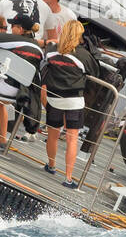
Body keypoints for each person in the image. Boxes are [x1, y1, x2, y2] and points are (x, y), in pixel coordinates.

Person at [40, 20, 96, 189]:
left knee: (53, 135)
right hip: (74, 101)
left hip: (54, 99)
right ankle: (69, 178)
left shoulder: (51, 51)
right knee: (72, 140)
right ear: (79, 36)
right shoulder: (84, 55)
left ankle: (51, 165)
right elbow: (94, 72)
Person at [0, 13, 44, 146]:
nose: (10, 29)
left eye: (13, 26)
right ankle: (3, 138)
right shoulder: (38, 48)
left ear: (21, 29)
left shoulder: (14, 41)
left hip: (11, 89)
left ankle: (0, 137)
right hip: (27, 92)